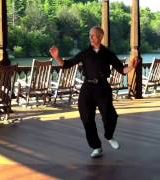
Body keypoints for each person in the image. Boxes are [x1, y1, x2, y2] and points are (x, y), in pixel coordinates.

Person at [49, 26, 138, 158]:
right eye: (90, 35)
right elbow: (66, 64)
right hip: (87, 88)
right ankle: (96, 146)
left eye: (93, 35)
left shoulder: (108, 53)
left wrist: (131, 66)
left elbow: (121, 70)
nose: (90, 38)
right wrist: (57, 57)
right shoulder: (85, 53)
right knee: (86, 118)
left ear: (101, 37)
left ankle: (109, 136)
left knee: (110, 115)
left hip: (102, 88)